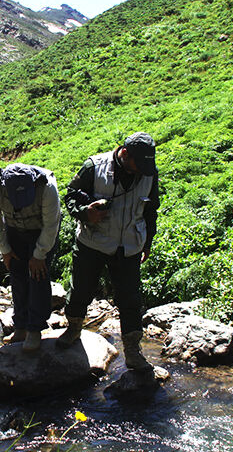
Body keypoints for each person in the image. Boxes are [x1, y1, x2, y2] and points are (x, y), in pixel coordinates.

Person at [59, 132, 160, 371]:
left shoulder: (148, 172)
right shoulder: (94, 167)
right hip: (92, 242)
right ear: (125, 153)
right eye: (138, 164)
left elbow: (151, 209)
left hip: (129, 246)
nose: (141, 170)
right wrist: (86, 212)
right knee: (81, 288)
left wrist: (148, 243)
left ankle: (133, 351)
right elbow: (70, 196)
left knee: (131, 300)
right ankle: (73, 328)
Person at [0, 163, 61, 352]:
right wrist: (5, 249)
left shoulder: (47, 186)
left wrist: (39, 254)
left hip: (42, 230)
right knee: (17, 275)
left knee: (38, 275)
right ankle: (20, 327)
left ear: (33, 185)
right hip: (14, 230)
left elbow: (51, 225)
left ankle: (35, 329)